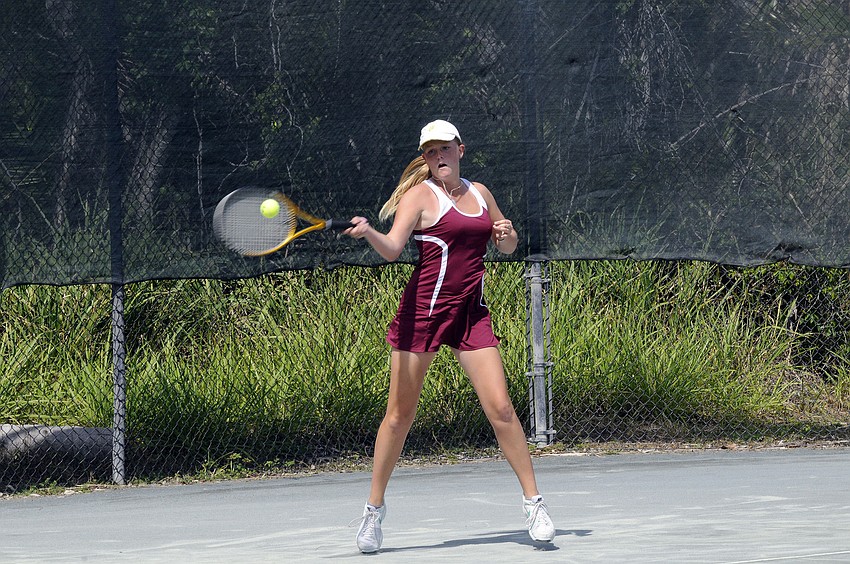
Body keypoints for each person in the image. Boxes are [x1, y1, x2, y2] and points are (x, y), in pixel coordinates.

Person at [345, 119, 556, 553]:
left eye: (445, 148)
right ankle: (373, 510)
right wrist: (369, 233)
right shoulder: (419, 196)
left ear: (461, 149)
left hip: (470, 315)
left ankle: (534, 504)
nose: (438, 156)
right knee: (399, 417)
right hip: (421, 316)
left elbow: (506, 246)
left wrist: (508, 234)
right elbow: (393, 247)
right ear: (425, 158)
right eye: (430, 151)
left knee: (501, 408)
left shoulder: (480, 193)